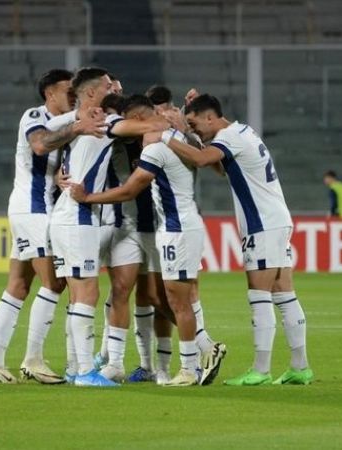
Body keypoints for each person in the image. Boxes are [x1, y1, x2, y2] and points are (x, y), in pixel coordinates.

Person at [68, 98, 227, 386]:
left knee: (172, 298)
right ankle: (121, 362)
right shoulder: (175, 140)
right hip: (157, 226)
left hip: (170, 228)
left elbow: (131, 189)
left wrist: (87, 197)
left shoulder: (158, 147)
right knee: (138, 293)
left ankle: (192, 363)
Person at [161, 93, 313, 386]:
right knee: (284, 294)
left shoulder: (230, 136)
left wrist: (168, 136)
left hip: (262, 225)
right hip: (276, 220)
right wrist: (191, 133)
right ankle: (299, 366)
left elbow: (204, 160)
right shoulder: (243, 131)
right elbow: (219, 167)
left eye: (195, 124)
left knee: (259, 295)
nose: (194, 130)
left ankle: (261, 369)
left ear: (210, 117)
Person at [46, 67, 169, 387]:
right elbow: (150, 125)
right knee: (87, 291)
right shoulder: (104, 123)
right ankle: (86, 371)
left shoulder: (71, 125)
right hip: (80, 216)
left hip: (64, 216)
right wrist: (165, 118)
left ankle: (76, 367)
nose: (112, 90)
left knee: (77, 294)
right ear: (90, 94)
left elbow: (48, 133)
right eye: (106, 87)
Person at [0, 69, 104, 384]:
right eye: (67, 91)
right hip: (32, 209)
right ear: (50, 93)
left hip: (38, 209)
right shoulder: (35, 116)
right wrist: (78, 126)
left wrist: (60, 177)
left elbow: (56, 153)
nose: (73, 97)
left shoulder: (66, 122)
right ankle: (33, 359)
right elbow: (39, 145)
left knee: (19, 285)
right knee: (54, 283)